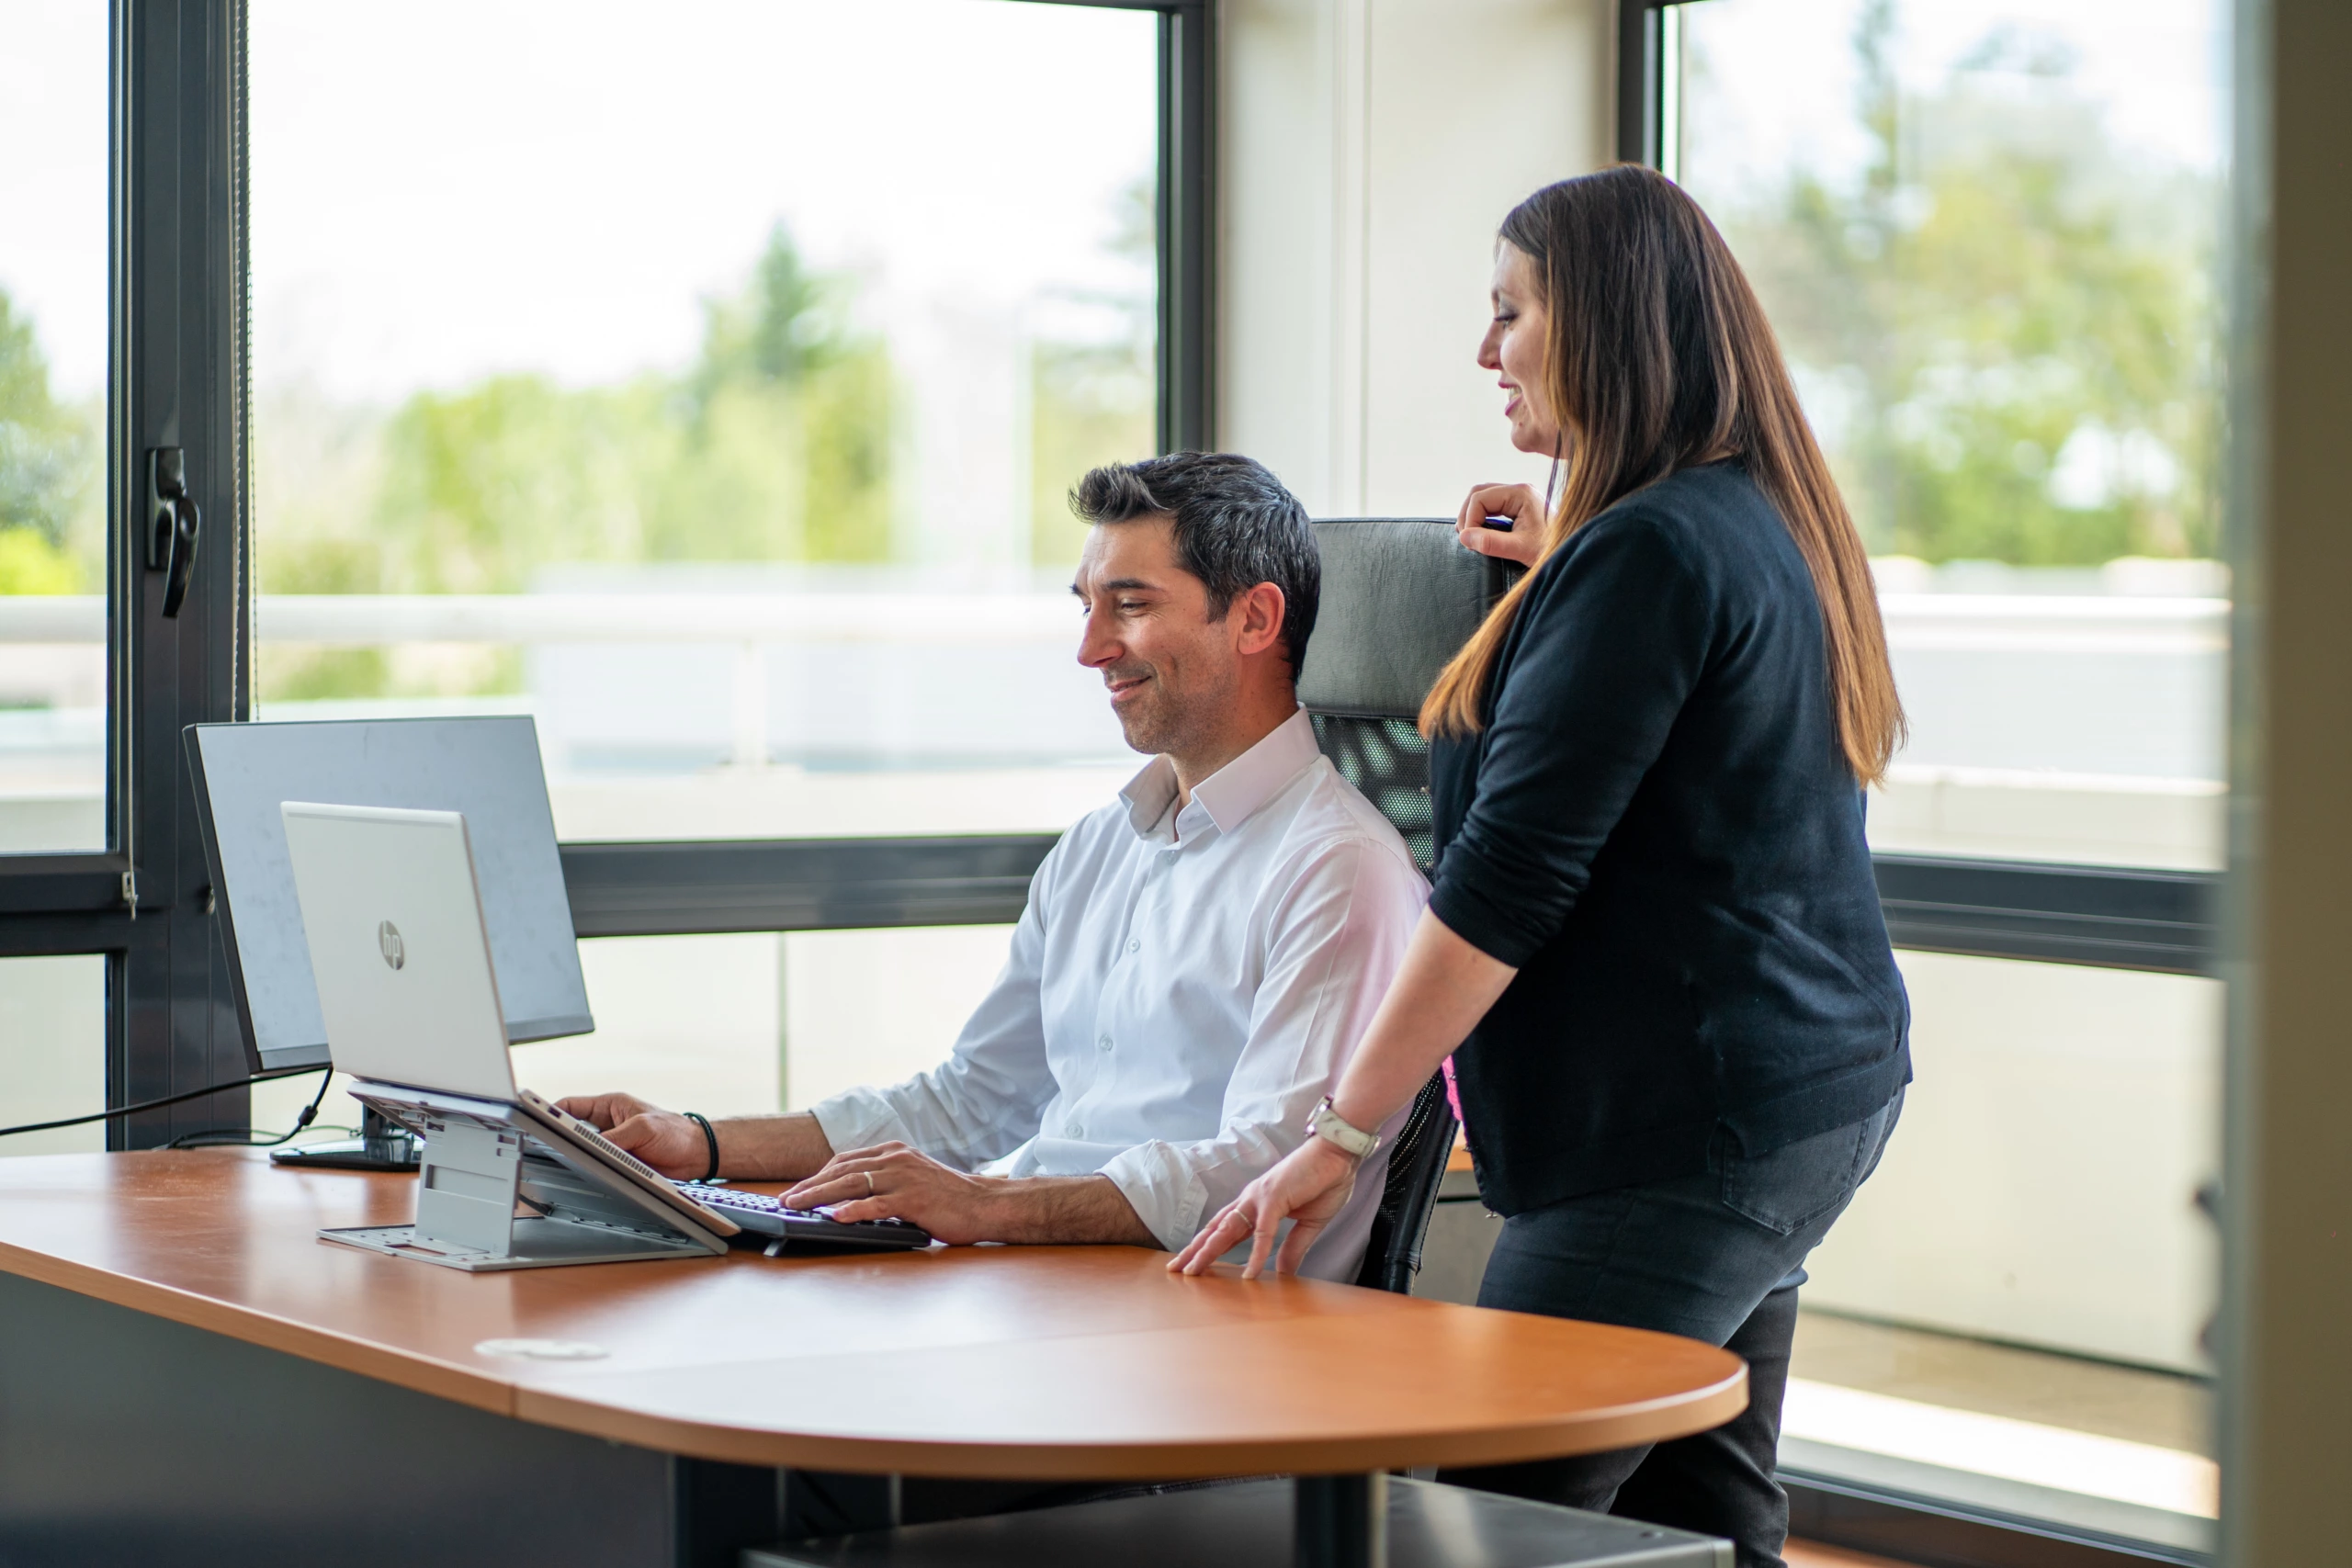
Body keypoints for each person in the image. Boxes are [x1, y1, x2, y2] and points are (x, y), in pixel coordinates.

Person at [1171, 166, 1911, 1568]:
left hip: (1684, 1136)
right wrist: (1560, 573)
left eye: (1510, 310)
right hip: (1802, 1096)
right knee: (1693, 1516)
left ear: (1610, 323)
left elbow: (1504, 885)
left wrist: (1339, 1136)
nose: (1484, 349)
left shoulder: (1646, 555)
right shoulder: (1756, 520)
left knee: (1492, 1525)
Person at [563, 451, 1426, 1283]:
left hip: (1202, 1322)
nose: (1091, 649)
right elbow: (971, 1099)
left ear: (1255, 619)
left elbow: (1265, 1168)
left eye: (1128, 606)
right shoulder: (1099, 847)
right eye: (1085, 606)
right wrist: (700, 1141)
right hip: (1043, 1283)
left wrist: (990, 1205)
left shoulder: (1340, 872)